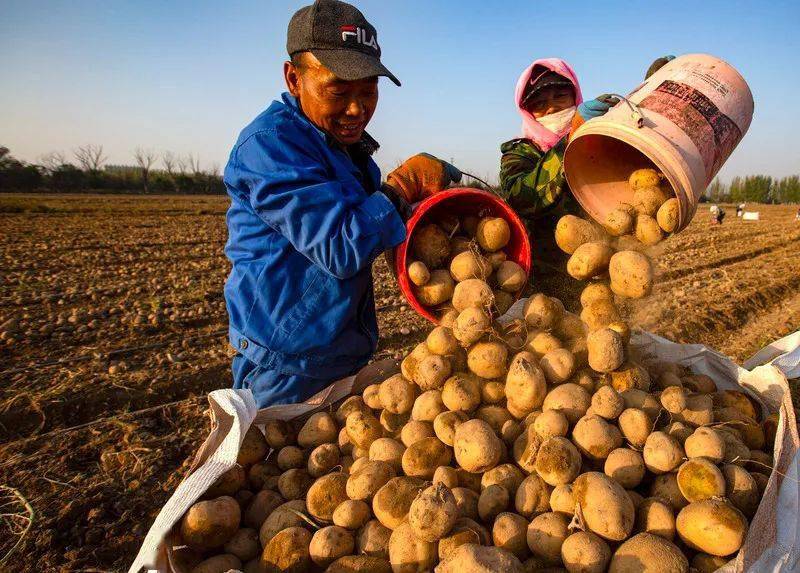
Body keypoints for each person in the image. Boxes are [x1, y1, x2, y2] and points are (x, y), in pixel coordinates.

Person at [223, 0, 460, 407]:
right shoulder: (270, 146)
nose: (357, 109)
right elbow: (340, 246)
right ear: (294, 78)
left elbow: (370, 228)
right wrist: (401, 188)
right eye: (338, 90)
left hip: (340, 353)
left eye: (368, 91)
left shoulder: (346, 151)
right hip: (284, 367)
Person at [496, 56, 674, 303]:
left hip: (605, 276)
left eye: (560, 96)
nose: (551, 108)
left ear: (575, 96)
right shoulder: (518, 153)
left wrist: (654, 99)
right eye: (539, 103)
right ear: (527, 112)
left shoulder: (600, 139)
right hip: (539, 285)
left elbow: (640, 174)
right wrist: (571, 138)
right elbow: (523, 199)